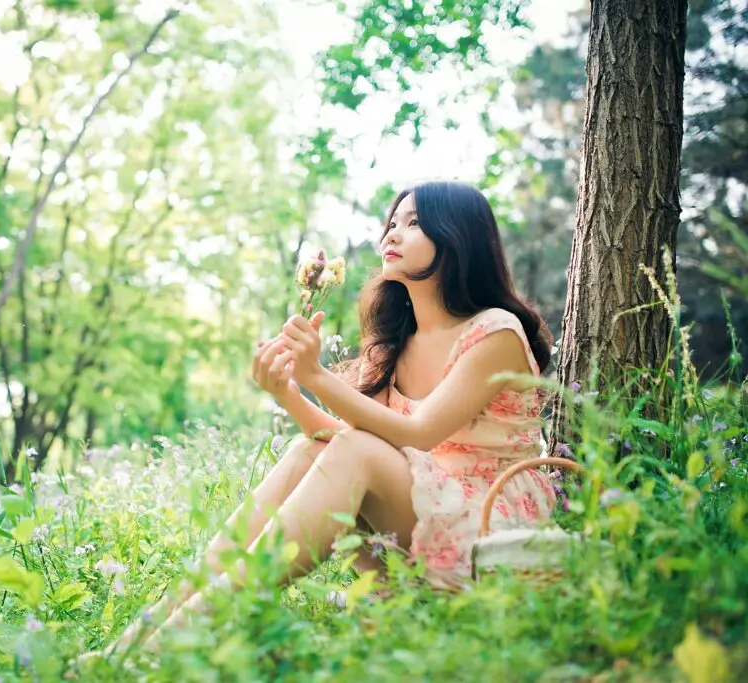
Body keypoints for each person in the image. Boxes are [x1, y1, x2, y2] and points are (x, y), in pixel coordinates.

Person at [105, 180, 557, 655]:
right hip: (419, 509)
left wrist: (318, 377)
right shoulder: (395, 343)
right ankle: (133, 644)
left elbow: (418, 436)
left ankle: (179, 641)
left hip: (487, 523)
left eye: (415, 223)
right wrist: (290, 392)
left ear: (458, 236)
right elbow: (345, 446)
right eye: (392, 223)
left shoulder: (494, 332)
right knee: (310, 448)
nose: (393, 235)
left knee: (354, 448)